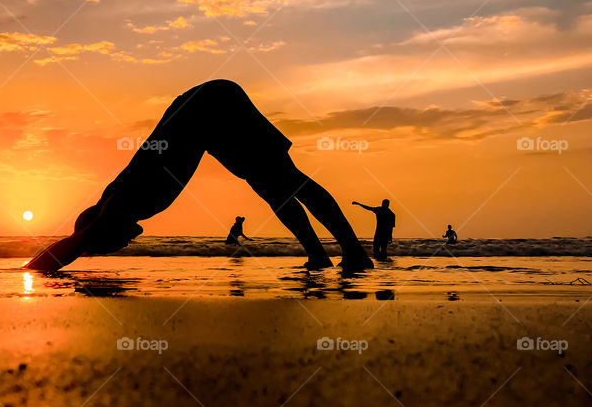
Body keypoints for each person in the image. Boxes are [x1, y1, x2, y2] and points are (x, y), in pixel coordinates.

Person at [25, 80, 374, 272]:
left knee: (287, 179)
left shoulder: (120, 204)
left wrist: (27, 273)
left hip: (211, 106)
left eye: (110, 245)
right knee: (271, 185)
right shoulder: (121, 199)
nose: (125, 244)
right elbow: (85, 238)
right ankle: (318, 253)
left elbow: (75, 244)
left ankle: (353, 251)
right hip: (200, 111)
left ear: (101, 229)